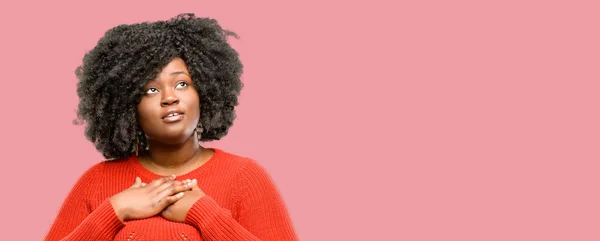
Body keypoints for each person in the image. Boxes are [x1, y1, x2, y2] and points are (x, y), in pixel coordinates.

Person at [44, 13, 298, 241]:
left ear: (204, 91)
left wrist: (204, 213)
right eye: (151, 90)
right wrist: (115, 210)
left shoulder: (245, 177)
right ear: (127, 106)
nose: (169, 98)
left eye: (182, 84)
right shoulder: (96, 183)